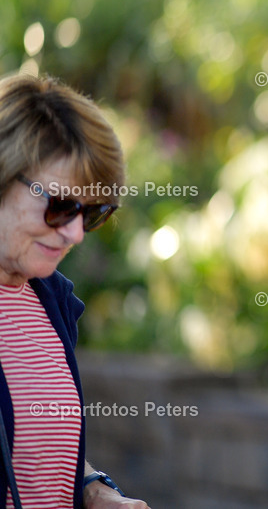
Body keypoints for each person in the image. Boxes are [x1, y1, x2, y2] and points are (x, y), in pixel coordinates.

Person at [0, 74, 149, 508]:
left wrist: (94, 490)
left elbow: (29, 450)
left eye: (93, 213)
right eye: (62, 205)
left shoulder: (50, 300)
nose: (75, 233)